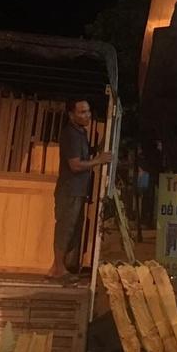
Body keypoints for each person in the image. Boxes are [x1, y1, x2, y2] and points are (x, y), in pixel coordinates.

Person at [51, 98, 111, 277]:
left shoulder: (81, 133)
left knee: (73, 228)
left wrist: (97, 150)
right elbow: (75, 165)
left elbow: (83, 155)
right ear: (71, 115)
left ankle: (60, 267)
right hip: (69, 189)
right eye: (82, 112)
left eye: (88, 111)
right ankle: (58, 267)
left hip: (78, 189)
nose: (87, 115)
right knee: (66, 227)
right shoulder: (70, 134)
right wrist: (98, 160)